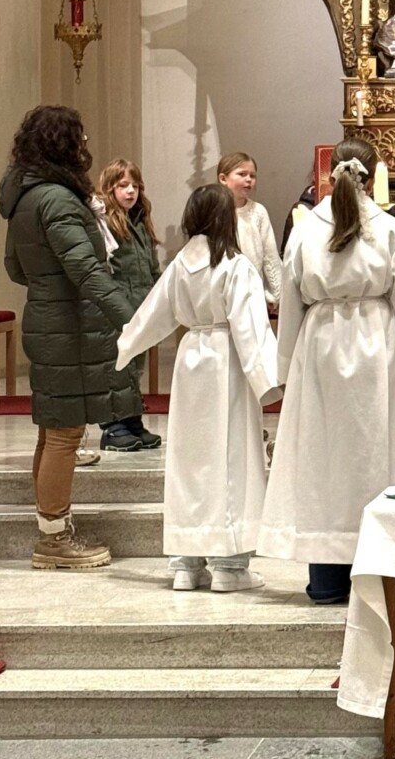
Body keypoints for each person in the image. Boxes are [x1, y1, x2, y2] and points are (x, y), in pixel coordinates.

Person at [257, 138, 395, 604]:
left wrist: (284, 366)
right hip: (375, 345)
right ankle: (377, 575)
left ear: (329, 173)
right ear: (373, 174)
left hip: (320, 344)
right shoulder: (389, 229)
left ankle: (325, 579)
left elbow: (292, 302)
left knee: (322, 459)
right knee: (373, 456)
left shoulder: (306, 230)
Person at [116, 184, 282, 592]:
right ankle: (229, 566)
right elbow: (250, 328)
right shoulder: (236, 266)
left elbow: (153, 313)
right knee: (231, 457)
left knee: (190, 460)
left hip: (191, 360)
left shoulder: (180, 264)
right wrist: (270, 381)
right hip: (227, 361)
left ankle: (186, 565)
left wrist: (126, 345)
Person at [0, 105, 142, 570]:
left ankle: (53, 528)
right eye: (79, 139)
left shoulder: (25, 195)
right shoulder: (57, 199)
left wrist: (46, 287)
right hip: (67, 327)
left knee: (53, 431)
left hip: (48, 319)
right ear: (62, 144)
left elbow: (14, 267)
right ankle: (54, 540)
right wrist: (135, 323)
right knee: (64, 435)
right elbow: (87, 271)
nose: (85, 146)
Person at [96, 159, 163, 452]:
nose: (130, 191)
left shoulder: (140, 221)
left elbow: (151, 266)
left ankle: (133, 421)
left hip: (141, 305)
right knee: (116, 368)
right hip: (117, 306)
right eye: (123, 185)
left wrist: (160, 294)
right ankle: (113, 426)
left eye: (135, 185)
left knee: (134, 367)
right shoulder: (105, 222)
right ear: (110, 187)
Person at [217, 152, 282, 309]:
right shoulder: (214, 212)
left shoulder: (258, 212)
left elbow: (269, 255)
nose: (248, 180)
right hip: (221, 290)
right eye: (242, 174)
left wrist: (277, 294)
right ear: (223, 179)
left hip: (252, 291)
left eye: (252, 176)